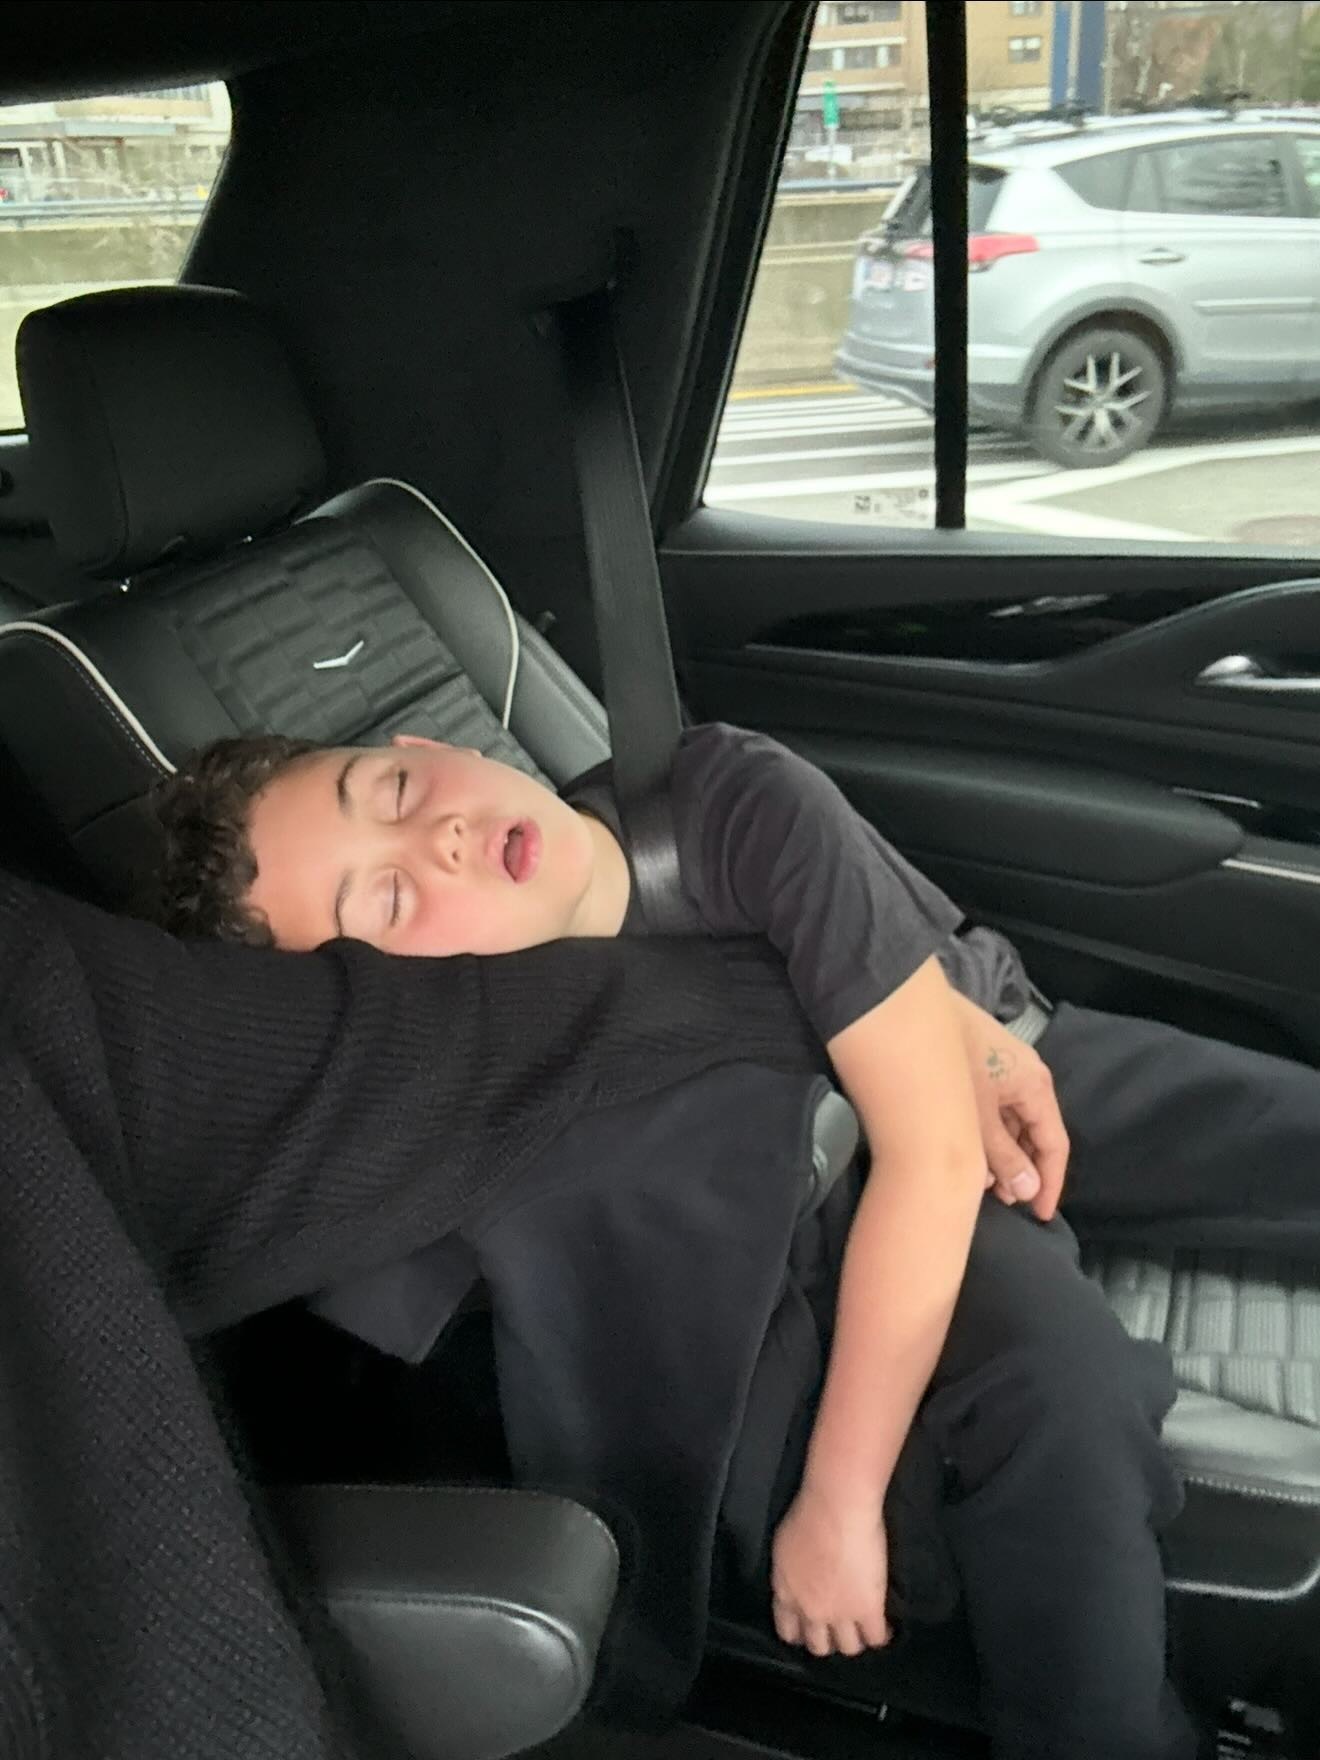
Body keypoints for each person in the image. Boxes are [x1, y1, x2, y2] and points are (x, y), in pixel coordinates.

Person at [149, 721, 1320, 1760]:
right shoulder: (492, 1047)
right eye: (390, 901)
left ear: (420, 746)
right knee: (1059, 1378)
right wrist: (836, 1503)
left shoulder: (724, 793)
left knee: (1279, 1130)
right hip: (838, 1174)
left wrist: (839, 1496)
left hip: (963, 1052)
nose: (440, 841)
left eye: (395, 794)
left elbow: (934, 1138)